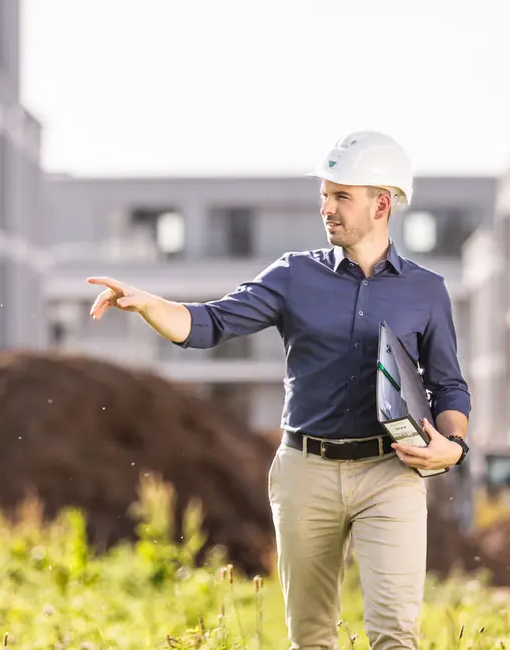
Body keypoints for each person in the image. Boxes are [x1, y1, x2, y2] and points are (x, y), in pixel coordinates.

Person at [87, 130, 471, 650]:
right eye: (324, 194)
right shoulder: (292, 275)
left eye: (341, 196)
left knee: (395, 635)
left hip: (391, 474)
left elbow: (448, 386)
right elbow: (210, 324)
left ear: (382, 204)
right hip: (305, 473)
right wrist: (150, 304)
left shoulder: (426, 290)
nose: (326, 208)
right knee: (310, 637)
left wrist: (452, 446)